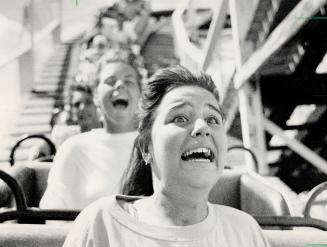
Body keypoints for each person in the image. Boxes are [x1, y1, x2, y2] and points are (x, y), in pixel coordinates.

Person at [63, 66, 270, 246]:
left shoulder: (245, 232)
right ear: (146, 146)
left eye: (213, 119)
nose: (202, 127)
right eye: (180, 118)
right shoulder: (102, 224)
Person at [39, 50, 142, 210]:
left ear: (140, 95)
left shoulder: (155, 146)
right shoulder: (73, 147)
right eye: (110, 81)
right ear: (96, 96)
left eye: (129, 81)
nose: (120, 85)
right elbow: (53, 209)